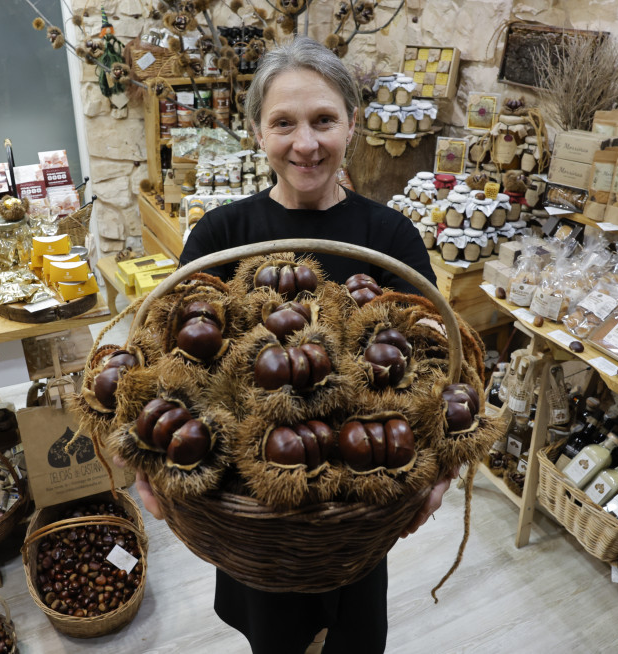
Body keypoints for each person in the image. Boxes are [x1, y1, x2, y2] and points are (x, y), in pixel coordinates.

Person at [134, 35, 456, 653]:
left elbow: (440, 362)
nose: (305, 144)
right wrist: (148, 453)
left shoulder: (389, 235)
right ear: (257, 130)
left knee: (355, 637)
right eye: (284, 122)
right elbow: (161, 358)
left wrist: (441, 461)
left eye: (324, 120)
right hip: (253, 507)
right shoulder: (223, 234)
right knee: (274, 640)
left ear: (352, 126)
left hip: (358, 501)